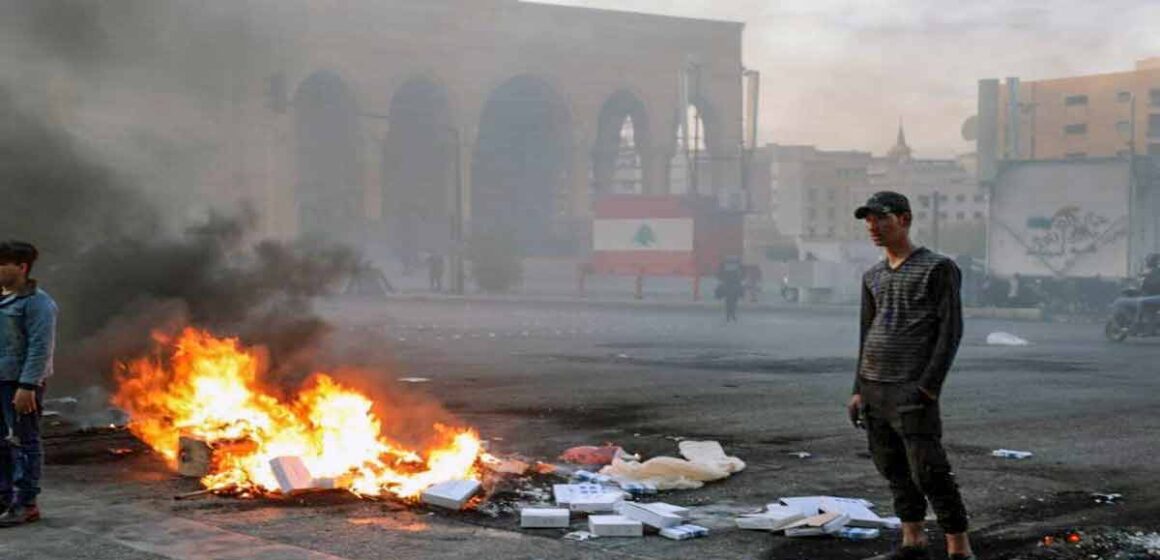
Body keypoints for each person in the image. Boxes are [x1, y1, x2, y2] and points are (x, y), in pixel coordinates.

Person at [845, 193, 975, 560]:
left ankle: (958, 547)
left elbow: (950, 331)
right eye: (868, 221)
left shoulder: (938, 268)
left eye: (881, 219)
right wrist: (857, 390)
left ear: (904, 219)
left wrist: (928, 388)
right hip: (874, 388)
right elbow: (866, 333)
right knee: (893, 469)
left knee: (929, 470)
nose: (873, 227)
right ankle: (912, 540)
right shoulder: (872, 276)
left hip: (911, 389)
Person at [0, 241, 57, 527]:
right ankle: (4, 497)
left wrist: (28, 385)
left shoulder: (38, 303)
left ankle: (26, 503)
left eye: (2, 263)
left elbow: (40, 347)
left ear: (21, 267)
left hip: (18, 384)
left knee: (24, 442)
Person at [716, 255, 744, 323]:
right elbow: (742, 275)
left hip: (728, 286)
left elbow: (719, 275)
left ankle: (729, 316)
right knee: (734, 302)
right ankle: (732, 315)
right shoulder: (737, 266)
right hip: (734, 286)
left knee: (728, 302)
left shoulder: (724, 265)